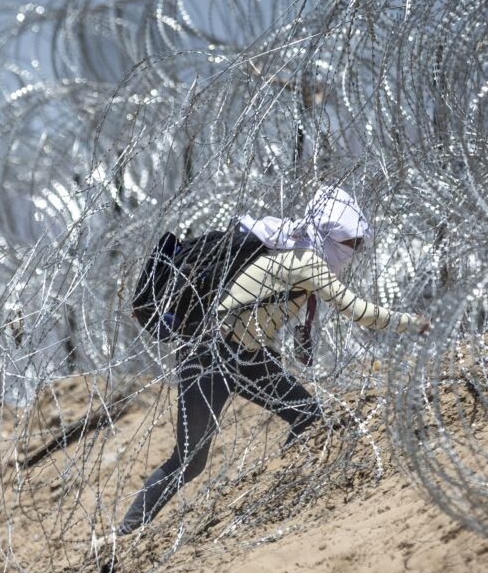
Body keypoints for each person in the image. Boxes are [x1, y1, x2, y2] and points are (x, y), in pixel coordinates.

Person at [111, 186, 428, 542]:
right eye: (350, 244)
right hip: (209, 357)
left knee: (307, 416)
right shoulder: (305, 262)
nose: (353, 254)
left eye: (358, 246)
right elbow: (360, 312)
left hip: (243, 357)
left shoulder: (297, 255)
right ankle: (123, 537)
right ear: (326, 235)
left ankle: (292, 486)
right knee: (189, 461)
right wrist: (415, 323)